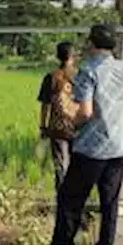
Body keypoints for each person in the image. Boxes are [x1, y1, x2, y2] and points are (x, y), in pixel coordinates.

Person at [34, 24, 123, 245]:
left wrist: (72, 124)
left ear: (92, 44)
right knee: (109, 206)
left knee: (70, 201)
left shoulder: (88, 71)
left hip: (91, 149)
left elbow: (86, 111)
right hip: (118, 148)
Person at [37, 42, 79, 192]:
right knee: (77, 166)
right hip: (78, 127)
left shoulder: (51, 77)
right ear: (73, 57)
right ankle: (76, 198)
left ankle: (62, 197)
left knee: (60, 166)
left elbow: (45, 105)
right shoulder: (80, 76)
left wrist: (43, 126)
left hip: (57, 128)